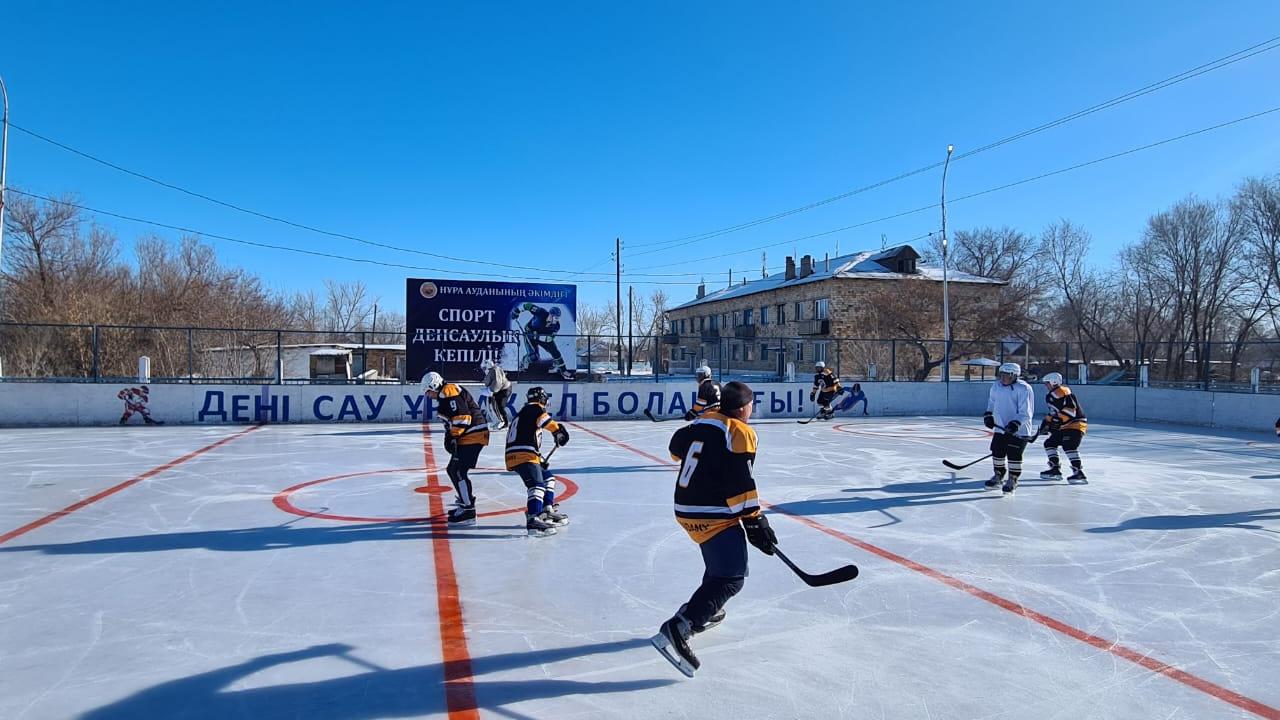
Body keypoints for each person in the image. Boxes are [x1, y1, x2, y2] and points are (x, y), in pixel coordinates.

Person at [652, 381, 776, 677]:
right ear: (745, 408)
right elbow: (740, 480)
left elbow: (674, 449)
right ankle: (681, 627)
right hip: (712, 512)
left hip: (684, 508)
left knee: (720, 569)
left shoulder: (704, 421)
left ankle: (706, 609)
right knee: (732, 577)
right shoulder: (740, 431)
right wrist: (755, 521)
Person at [422, 371, 490, 526]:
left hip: (473, 434)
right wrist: (451, 436)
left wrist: (453, 436)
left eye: (428, 391)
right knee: (454, 469)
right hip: (472, 434)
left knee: (457, 470)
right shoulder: (446, 393)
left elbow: (463, 417)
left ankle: (468, 510)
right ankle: (466, 501)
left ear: (434, 385)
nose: (428, 395)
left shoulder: (448, 391)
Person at [505, 386, 570, 536]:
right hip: (523, 454)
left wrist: (538, 460)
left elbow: (525, 435)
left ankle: (546, 511)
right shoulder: (535, 409)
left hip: (523, 453)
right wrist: (558, 431)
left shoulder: (524, 412)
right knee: (536, 485)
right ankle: (533, 519)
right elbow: (547, 422)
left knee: (548, 478)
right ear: (542, 399)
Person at [982, 362, 1034, 495]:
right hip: (1000, 428)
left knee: (1014, 454)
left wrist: (1016, 423)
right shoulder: (996, 386)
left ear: (1015, 375)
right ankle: (998, 475)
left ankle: (1013, 478)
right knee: (997, 451)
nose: (1004, 378)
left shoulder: (1023, 388)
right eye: (1002, 374)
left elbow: (1026, 412)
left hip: (1019, 430)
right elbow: (992, 402)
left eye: (1008, 375)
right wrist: (988, 415)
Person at [1038, 372, 1088, 482]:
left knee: (1069, 445)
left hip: (1076, 425)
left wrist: (1056, 420)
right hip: (1065, 426)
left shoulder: (1062, 392)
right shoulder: (1053, 395)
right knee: (1049, 443)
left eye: (1047, 383)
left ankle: (1078, 472)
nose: (1046, 386)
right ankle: (1055, 469)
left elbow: (1070, 411)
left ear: (1053, 382)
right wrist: (1046, 422)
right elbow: (1054, 413)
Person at [511, 302, 573, 380]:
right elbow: (528, 305)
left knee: (555, 352)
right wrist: (517, 311)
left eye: (557, 318)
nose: (555, 319)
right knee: (534, 357)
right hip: (529, 335)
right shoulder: (540, 312)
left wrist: (537, 336)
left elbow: (550, 338)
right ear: (550, 314)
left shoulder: (556, 326)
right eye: (554, 317)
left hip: (544, 338)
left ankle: (563, 371)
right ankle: (524, 361)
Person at [480, 359, 513, 429]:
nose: (483, 370)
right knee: (495, 406)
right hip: (500, 390)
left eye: (484, 368)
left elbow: (497, 383)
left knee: (498, 406)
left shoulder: (495, 370)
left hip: (503, 390)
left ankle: (502, 421)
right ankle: (500, 421)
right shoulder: (492, 370)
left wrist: (490, 391)